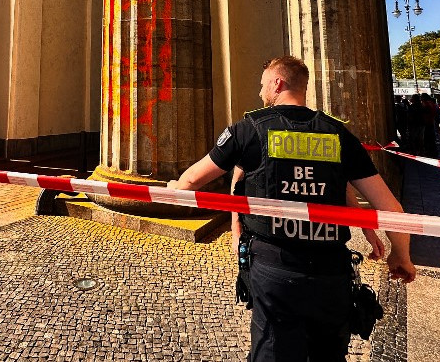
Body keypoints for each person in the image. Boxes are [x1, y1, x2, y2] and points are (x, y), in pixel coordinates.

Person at [167, 56, 415, 362]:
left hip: (275, 270)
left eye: (262, 85)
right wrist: (400, 254)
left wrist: (172, 189)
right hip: (331, 272)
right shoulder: (338, 134)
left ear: (277, 83)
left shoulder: (249, 130)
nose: (260, 93)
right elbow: (390, 207)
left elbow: (192, 179)